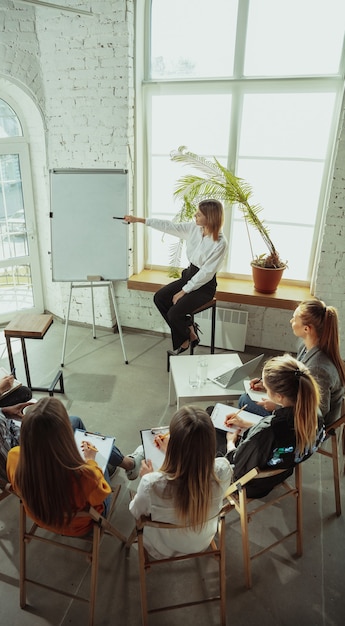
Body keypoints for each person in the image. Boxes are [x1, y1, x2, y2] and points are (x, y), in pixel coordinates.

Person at [0, 343, 143, 484]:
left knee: (72, 423)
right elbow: (9, 473)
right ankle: (120, 466)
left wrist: (4, 411)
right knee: (72, 427)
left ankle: (118, 462)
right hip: (12, 463)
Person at [124, 199, 227, 355]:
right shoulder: (194, 228)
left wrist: (183, 291)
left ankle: (185, 339)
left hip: (204, 286)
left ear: (210, 217)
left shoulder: (220, 243)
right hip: (189, 275)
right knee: (160, 297)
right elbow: (169, 226)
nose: (195, 215)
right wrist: (140, 220)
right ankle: (188, 332)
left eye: (199, 214)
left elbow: (206, 273)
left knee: (174, 313)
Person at [129, 406, 232, 560]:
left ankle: (130, 461)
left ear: (175, 445)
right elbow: (194, 469)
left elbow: (136, 512)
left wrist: (150, 475)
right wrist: (172, 452)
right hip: (202, 541)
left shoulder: (151, 483)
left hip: (162, 547)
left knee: (141, 450)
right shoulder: (224, 469)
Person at [221, 355, 325, 498]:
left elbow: (238, 463)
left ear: (279, 397)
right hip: (283, 470)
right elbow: (276, 437)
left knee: (209, 430)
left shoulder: (267, 430)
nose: (263, 386)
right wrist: (247, 424)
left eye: (266, 387)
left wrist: (230, 442)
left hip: (253, 485)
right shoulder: (314, 414)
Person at [7, 398, 112, 536]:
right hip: (79, 526)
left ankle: (125, 462)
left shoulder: (14, 456)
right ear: (65, 434)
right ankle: (125, 463)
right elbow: (101, 495)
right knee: (98, 440)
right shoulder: (85, 475)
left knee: (76, 421)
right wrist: (91, 461)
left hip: (41, 518)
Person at [239, 299, 345, 427]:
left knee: (244, 400)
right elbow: (295, 377)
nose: (291, 321)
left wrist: (278, 407)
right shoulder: (306, 346)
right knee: (248, 397)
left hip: (307, 426)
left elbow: (316, 414)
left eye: (294, 319)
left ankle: (257, 437)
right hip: (297, 403)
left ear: (307, 329)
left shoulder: (318, 369)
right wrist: (269, 384)